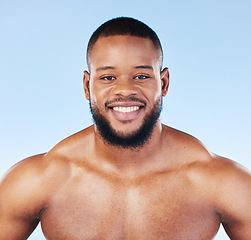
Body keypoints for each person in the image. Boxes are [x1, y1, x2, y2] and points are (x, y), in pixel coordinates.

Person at [0, 17, 250, 240]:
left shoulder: (223, 183)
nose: (125, 90)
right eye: (108, 78)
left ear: (163, 83)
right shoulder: (36, 181)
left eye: (141, 76)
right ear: (87, 86)